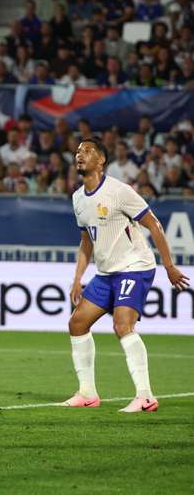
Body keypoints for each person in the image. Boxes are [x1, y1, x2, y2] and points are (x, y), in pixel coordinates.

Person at [63, 139, 189, 412]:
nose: (80, 156)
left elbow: (154, 225)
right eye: (77, 152)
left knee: (122, 325)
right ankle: (87, 393)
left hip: (135, 266)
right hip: (107, 273)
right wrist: (77, 278)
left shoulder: (119, 191)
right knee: (77, 324)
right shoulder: (77, 199)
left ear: (102, 160)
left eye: (87, 152)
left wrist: (169, 266)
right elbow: (87, 242)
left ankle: (145, 396)